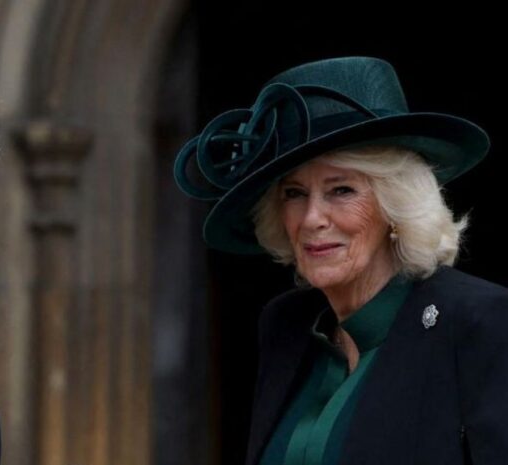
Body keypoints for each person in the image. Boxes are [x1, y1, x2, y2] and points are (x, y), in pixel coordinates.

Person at [174, 56, 508, 464]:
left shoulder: (479, 321)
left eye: (342, 190)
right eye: (294, 193)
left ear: (394, 204)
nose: (313, 218)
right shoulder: (285, 328)